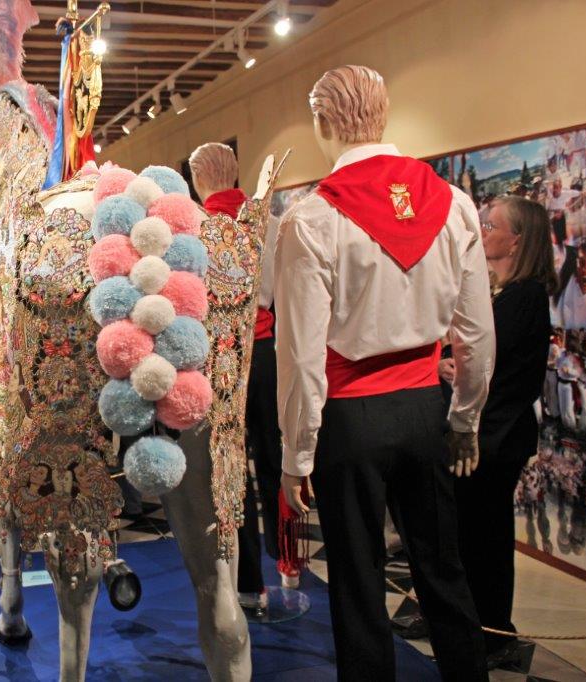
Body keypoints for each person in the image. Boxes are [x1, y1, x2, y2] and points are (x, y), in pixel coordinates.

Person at [275, 65, 494, 681]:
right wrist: (465, 418)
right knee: (443, 569)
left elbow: (301, 356)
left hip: (350, 418)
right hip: (425, 409)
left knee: (358, 580)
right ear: (384, 113)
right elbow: (477, 333)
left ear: (322, 121)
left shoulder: (312, 218)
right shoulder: (453, 204)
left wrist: (296, 454)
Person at [446, 196, 556, 669]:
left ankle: (491, 631)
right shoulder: (506, 293)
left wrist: (456, 368)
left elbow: (489, 362)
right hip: (488, 432)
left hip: (496, 436)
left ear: (517, 241)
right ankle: (467, 623)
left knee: (484, 539)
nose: (483, 231)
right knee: (469, 534)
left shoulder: (524, 296)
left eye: (491, 225)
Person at [188, 142, 285, 612]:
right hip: (267, 350)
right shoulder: (269, 223)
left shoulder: (194, 228)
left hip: (218, 357)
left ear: (197, 180)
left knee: (229, 468)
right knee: (273, 457)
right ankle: (288, 561)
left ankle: (248, 582)